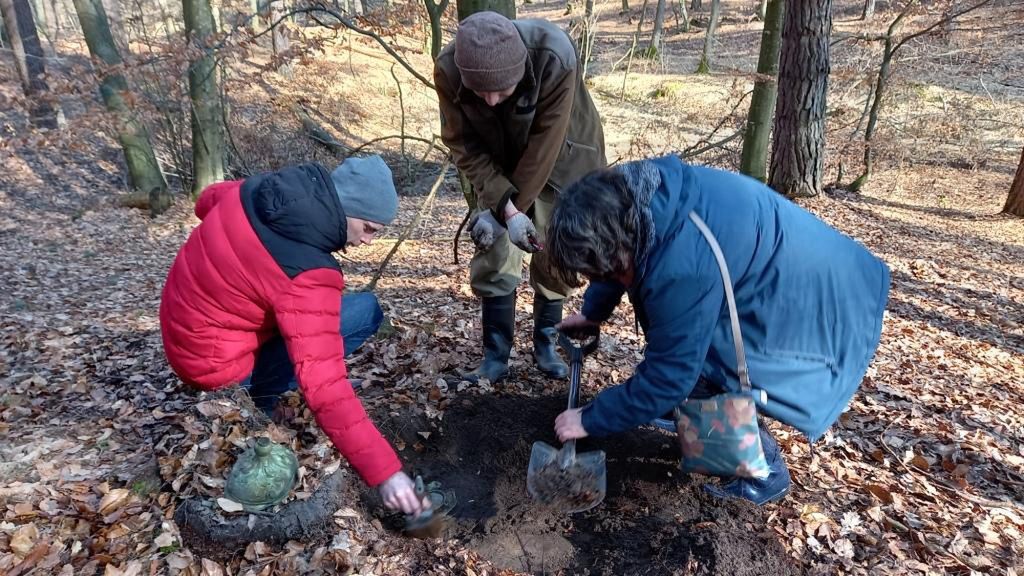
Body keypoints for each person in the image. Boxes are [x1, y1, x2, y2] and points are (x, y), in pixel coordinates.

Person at [546, 156, 890, 505]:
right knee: (689, 361)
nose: (603, 276)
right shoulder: (633, 196)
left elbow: (670, 375)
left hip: (811, 297)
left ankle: (761, 473)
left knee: (712, 365)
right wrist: (593, 311)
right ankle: (690, 415)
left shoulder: (681, 266)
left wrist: (592, 418)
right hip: (770, 263)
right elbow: (616, 260)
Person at [160, 156, 429, 517]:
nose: (367, 241)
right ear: (344, 205)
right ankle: (259, 403)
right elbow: (325, 384)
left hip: (184, 334)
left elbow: (206, 200)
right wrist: (387, 475)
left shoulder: (259, 190)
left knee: (365, 307)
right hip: (217, 371)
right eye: (368, 228)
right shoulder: (307, 271)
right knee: (348, 326)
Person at [434, 11, 607, 383]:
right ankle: (495, 355)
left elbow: (545, 146)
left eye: (502, 89)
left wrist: (510, 214)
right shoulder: (449, 70)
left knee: (555, 250)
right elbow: (463, 145)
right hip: (497, 161)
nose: (492, 101)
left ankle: (546, 344)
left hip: (565, 156)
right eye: (481, 93)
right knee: (494, 248)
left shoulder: (555, 57)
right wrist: (503, 209)